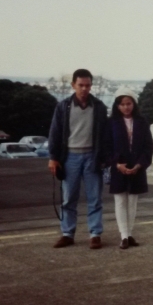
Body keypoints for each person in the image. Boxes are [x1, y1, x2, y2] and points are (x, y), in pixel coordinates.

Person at [48, 69, 109, 249]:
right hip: (70, 157)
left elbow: (105, 134)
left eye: (87, 85)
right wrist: (53, 157)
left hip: (92, 156)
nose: (84, 89)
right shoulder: (63, 106)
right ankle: (67, 233)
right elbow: (55, 132)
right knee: (68, 198)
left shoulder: (99, 107)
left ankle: (95, 234)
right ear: (73, 85)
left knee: (94, 197)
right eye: (80, 85)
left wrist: (104, 158)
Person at [106, 88, 153, 250]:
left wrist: (139, 165)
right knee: (120, 202)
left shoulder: (142, 122)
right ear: (117, 106)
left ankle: (130, 233)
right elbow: (107, 147)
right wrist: (117, 164)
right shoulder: (111, 123)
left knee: (132, 202)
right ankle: (124, 235)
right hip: (119, 168)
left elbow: (148, 147)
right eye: (122, 104)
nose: (126, 107)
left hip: (137, 168)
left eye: (129, 103)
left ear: (134, 104)